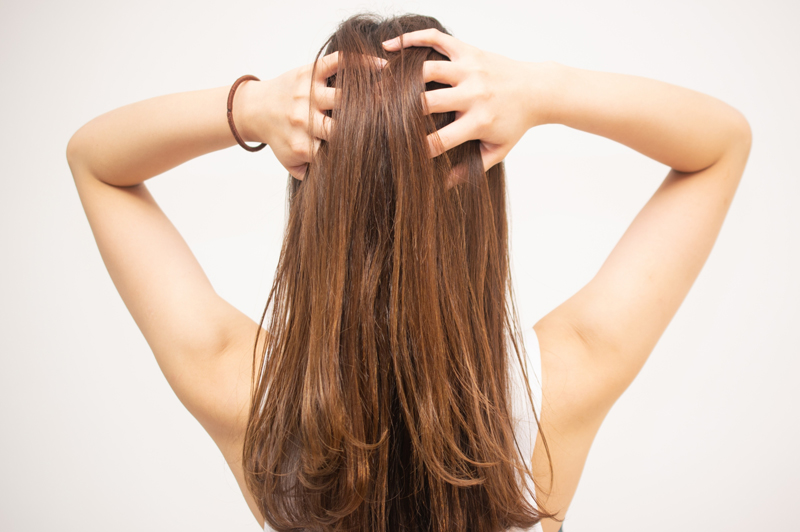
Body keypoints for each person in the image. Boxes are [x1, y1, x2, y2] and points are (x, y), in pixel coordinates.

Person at [65, 12, 751, 532]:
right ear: (480, 201)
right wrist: (545, 90)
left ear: (317, 206)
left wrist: (248, 107)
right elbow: (721, 143)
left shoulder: (254, 403)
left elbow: (95, 160)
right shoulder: (556, 397)